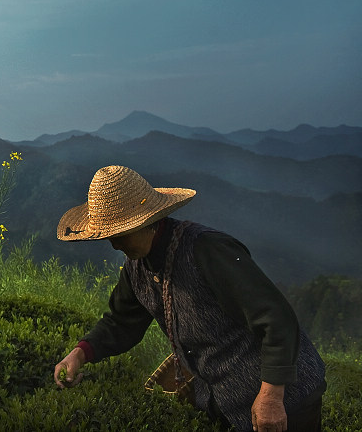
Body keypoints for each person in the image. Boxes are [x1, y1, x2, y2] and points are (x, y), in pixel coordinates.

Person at [52, 165, 325, 432]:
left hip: (285, 399)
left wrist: (272, 396)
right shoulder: (138, 266)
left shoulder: (207, 251)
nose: (114, 244)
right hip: (225, 400)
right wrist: (79, 354)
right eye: (110, 237)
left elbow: (276, 318)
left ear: (148, 221)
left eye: (120, 235)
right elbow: (121, 322)